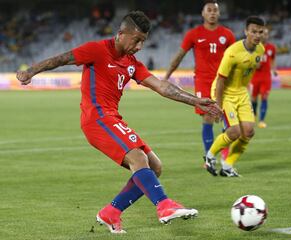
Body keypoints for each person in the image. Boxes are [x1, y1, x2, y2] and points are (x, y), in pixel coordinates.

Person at [16, 11, 222, 234]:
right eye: (137, 40)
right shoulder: (96, 50)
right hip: (96, 118)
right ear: (121, 34)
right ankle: (164, 205)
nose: (140, 46)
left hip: (112, 118)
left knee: (155, 167)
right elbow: (62, 59)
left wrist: (196, 100)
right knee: (138, 158)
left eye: (143, 41)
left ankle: (111, 213)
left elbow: (163, 87)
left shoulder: (131, 63)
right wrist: (31, 71)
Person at [164, 0, 235, 161]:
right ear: (203, 13)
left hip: (224, 82)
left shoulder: (228, 34)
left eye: (215, 10)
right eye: (209, 10)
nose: (212, 13)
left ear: (219, 14)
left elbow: (235, 59)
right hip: (203, 81)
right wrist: (167, 75)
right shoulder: (194, 34)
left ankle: (225, 155)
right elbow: (179, 56)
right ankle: (210, 156)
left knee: (227, 117)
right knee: (208, 116)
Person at [204, 16, 265, 177]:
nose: (257, 35)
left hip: (241, 93)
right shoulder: (232, 53)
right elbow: (221, 80)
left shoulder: (261, 50)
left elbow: (249, 71)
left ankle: (228, 165)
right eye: (253, 31)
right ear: (246, 31)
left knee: (249, 132)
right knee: (234, 132)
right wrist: (217, 105)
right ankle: (210, 157)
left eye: (260, 32)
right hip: (224, 92)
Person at [250, 27, 277, 129]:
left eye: (266, 34)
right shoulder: (254, 47)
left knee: (264, 97)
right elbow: (249, 60)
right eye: (262, 33)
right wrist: (254, 64)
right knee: (253, 98)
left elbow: (273, 58)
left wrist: (274, 69)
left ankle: (261, 120)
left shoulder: (271, 48)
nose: (264, 36)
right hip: (254, 77)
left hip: (266, 78)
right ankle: (253, 116)